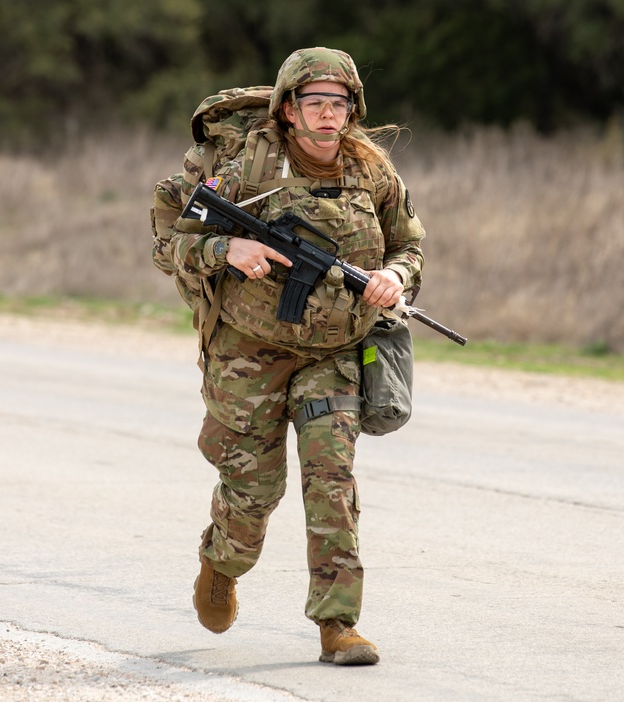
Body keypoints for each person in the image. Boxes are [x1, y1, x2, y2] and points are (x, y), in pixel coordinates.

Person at [151, 47, 425, 666]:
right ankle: (222, 562)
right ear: (288, 109)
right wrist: (227, 251)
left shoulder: (371, 173)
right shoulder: (239, 165)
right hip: (249, 351)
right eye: (315, 103)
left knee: (332, 481)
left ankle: (338, 625)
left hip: (334, 351)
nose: (329, 115)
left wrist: (394, 277)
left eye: (340, 103)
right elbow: (169, 234)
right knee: (253, 488)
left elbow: (410, 244)